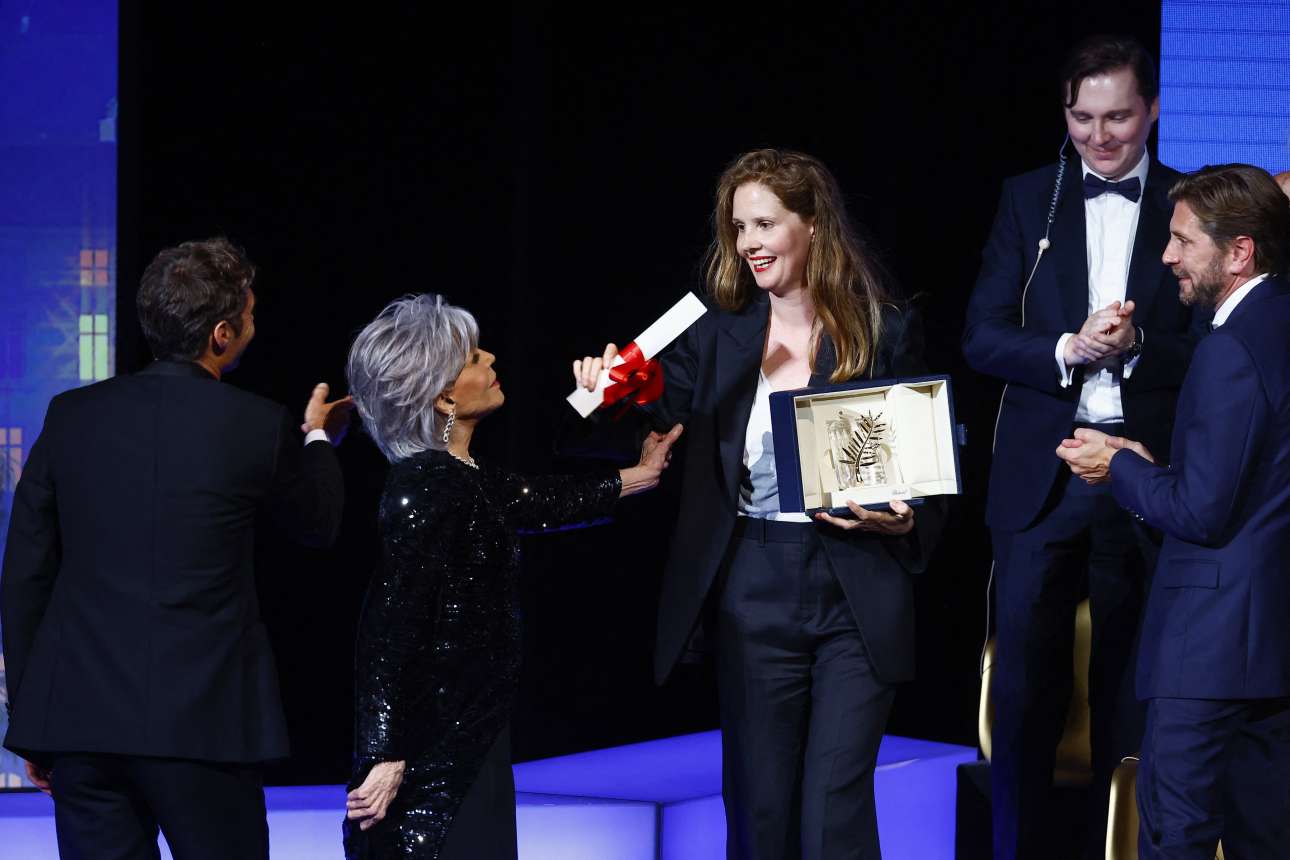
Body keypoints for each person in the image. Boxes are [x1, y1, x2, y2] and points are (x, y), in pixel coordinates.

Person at [574, 148, 945, 860]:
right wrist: (607, 393)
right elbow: (653, 413)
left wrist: (907, 518)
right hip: (755, 583)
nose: (749, 242)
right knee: (761, 810)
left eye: (765, 224)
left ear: (813, 224)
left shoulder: (883, 327)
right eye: (739, 227)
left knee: (833, 810)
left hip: (855, 585)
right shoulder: (718, 330)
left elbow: (922, 458)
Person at [1, 237, 353, 859]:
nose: (254, 325)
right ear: (222, 334)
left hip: (82, 726)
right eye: (249, 314)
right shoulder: (256, 423)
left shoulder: (71, 416)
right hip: (206, 729)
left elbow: (26, 572)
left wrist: (34, 723)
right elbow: (318, 524)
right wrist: (319, 437)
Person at [961, 34, 1205, 858]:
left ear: (1153, 110)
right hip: (1043, 479)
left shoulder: (1187, 202)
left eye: (1118, 118)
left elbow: (1217, 348)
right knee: (1025, 696)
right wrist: (1068, 348)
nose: (1099, 136)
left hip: (1146, 476)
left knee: (1132, 694)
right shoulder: (1030, 198)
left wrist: (1136, 349)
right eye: (1082, 117)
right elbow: (982, 335)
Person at [341, 294, 682, 860]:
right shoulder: (423, 487)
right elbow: (387, 627)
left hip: (475, 730)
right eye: (474, 358)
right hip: (434, 751)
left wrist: (641, 475)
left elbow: (538, 499)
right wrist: (383, 751)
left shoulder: (462, 476)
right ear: (445, 397)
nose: (492, 359)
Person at [1056, 163, 1290, 859]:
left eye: (1184, 241)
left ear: (1239, 251)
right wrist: (1148, 465)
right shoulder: (1279, 325)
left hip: (1208, 646)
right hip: (1270, 644)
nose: (1167, 257)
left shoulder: (1228, 349)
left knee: (1176, 834)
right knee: (1265, 838)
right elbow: (1248, 484)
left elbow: (1200, 512)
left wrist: (1119, 468)